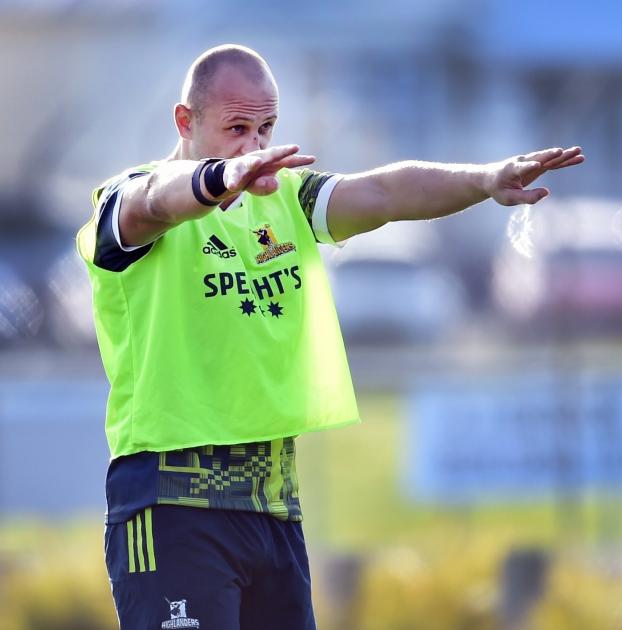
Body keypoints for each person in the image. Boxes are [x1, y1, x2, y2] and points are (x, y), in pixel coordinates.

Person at [76, 44, 584, 629]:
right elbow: (152, 201)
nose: (254, 147)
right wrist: (218, 177)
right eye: (236, 128)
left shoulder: (284, 198)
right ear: (185, 122)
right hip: (169, 509)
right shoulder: (130, 199)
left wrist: (484, 179)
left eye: (265, 128)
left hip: (272, 508)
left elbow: (386, 194)